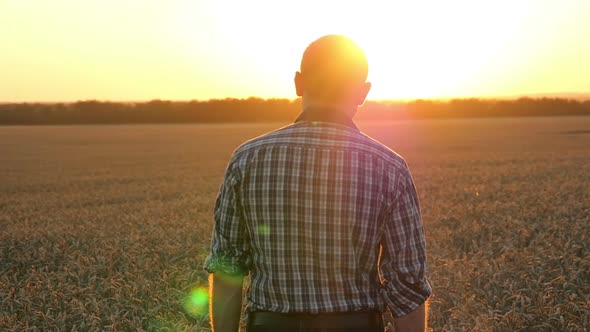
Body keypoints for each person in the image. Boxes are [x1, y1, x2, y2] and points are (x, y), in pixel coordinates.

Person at [204, 34, 432, 332]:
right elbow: (407, 283)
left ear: (298, 82)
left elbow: (227, 270)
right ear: (363, 93)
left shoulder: (247, 159)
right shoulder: (389, 167)